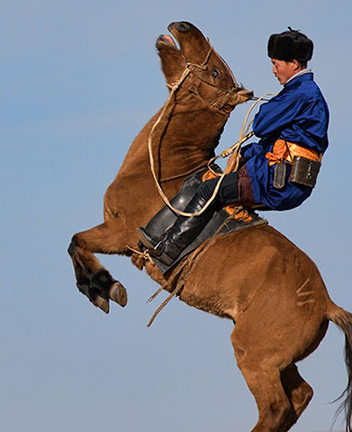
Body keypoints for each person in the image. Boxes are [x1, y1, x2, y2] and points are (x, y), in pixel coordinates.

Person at [140, 27, 329, 265]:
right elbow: (278, 142)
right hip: (284, 178)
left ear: (293, 63)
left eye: (276, 64)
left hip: (276, 180)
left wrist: (265, 115)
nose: (273, 71)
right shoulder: (305, 94)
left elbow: (261, 125)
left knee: (210, 191)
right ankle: (156, 235)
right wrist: (243, 153)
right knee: (203, 180)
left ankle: (168, 251)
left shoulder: (300, 93)